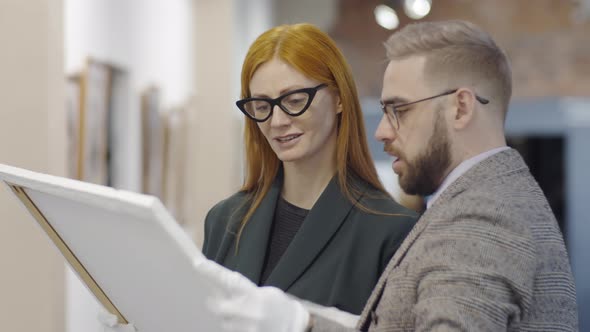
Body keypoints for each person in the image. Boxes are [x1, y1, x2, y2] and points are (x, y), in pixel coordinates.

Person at [193, 19, 578, 332]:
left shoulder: (482, 219)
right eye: (261, 105)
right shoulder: (228, 219)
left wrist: (300, 323)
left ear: (461, 107)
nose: (383, 131)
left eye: (401, 110)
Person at [201, 22, 417, 315]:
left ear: (339, 97)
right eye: (262, 106)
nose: (277, 121)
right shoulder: (224, 220)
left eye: (294, 100)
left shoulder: (391, 231)